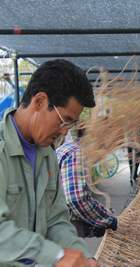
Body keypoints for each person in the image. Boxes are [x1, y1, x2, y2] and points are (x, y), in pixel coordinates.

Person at [0, 59, 98, 266]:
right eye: (64, 121)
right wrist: (55, 255)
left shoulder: (47, 153)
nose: (64, 132)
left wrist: (82, 254)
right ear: (39, 102)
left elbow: (56, 219)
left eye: (70, 125)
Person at [56, 123, 118, 238]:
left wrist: (92, 227)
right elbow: (76, 199)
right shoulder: (77, 153)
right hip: (66, 229)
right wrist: (106, 220)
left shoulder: (66, 148)